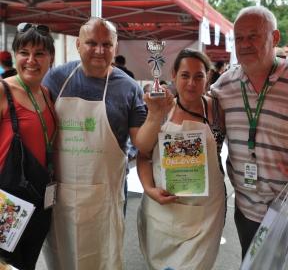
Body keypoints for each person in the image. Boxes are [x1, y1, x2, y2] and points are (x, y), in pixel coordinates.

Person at [41, 17, 174, 270]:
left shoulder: (127, 87)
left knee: (104, 257)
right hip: (60, 194)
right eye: (91, 42)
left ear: (116, 47)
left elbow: (141, 143)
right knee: (62, 258)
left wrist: (156, 115)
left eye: (106, 44)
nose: (99, 50)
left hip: (107, 194)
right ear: (79, 45)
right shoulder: (56, 79)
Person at [210, 5, 288, 260]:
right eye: (239, 37)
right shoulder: (223, 86)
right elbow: (204, 131)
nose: (245, 44)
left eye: (254, 35)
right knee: (254, 265)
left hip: (287, 204)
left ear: (274, 38)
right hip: (248, 209)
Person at [137, 48, 226, 270]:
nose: (191, 83)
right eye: (185, 75)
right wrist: (148, 189)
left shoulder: (218, 109)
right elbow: (142, 153)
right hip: (162, 211)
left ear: (207, 79)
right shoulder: (162, 109)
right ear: (174, 75)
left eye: (199, 76)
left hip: (205, 215)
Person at [0, 23, 56, 269]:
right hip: (7, 203)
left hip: (41, 201)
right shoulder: (3, 91)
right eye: (24, 52)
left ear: (50, 58)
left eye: (40, 53)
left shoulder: (46, 93)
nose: (31, 60)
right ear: (15, 55)